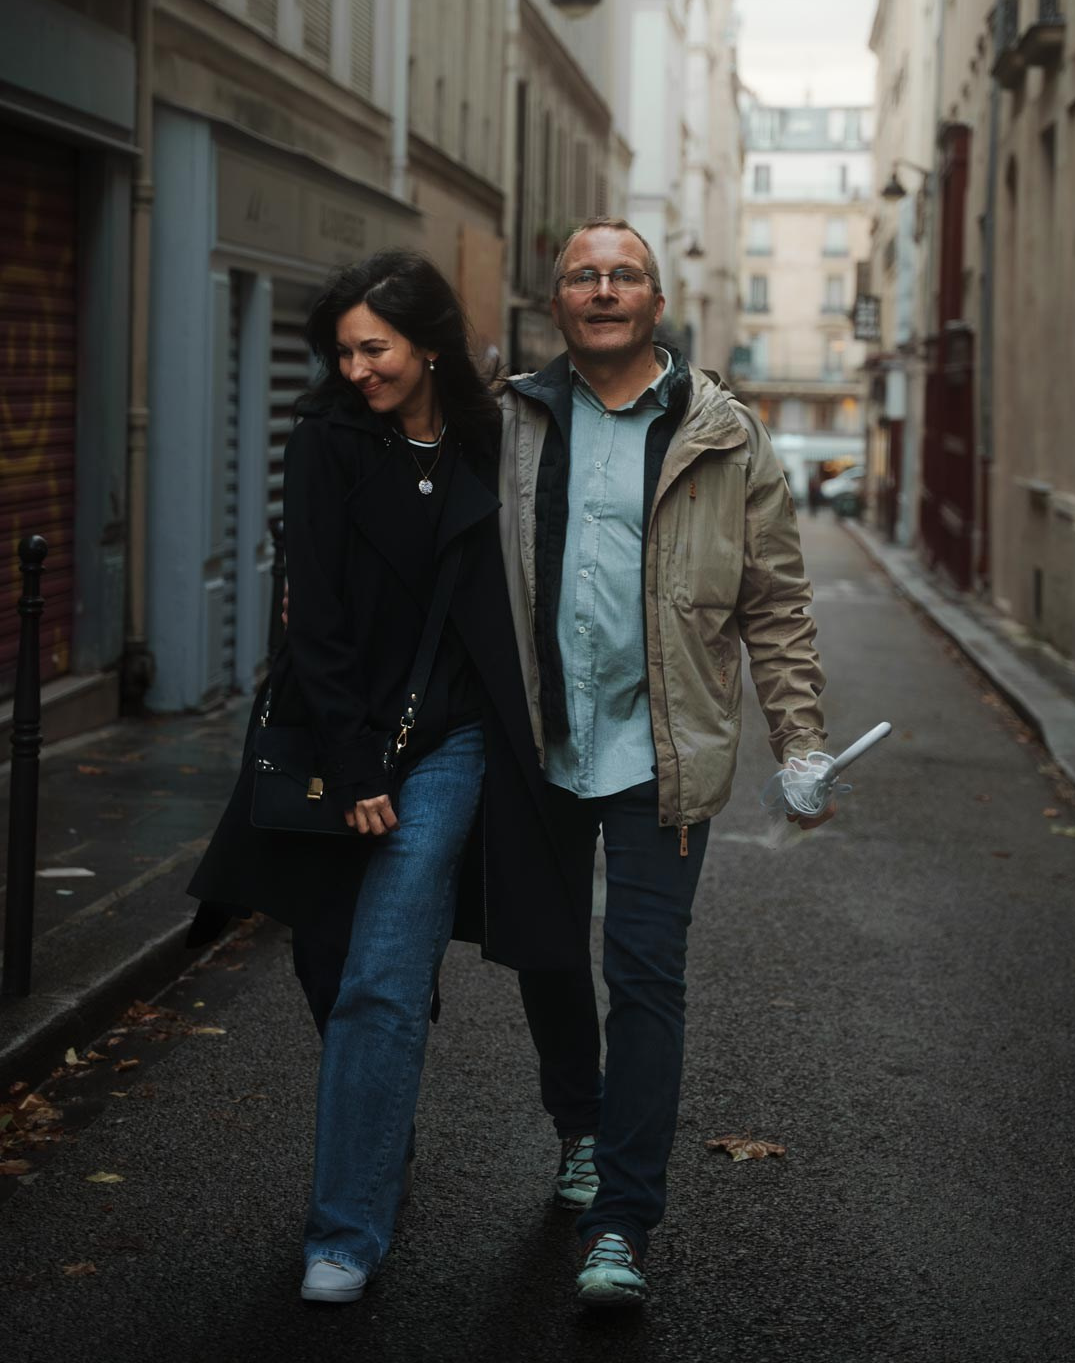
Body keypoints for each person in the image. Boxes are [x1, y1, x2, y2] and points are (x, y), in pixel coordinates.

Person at [188, 251, 584, 1305]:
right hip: (333, 741)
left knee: (377, 982)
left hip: (451, 742)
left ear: (429, 347)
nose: (356, 367)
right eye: (344, 350)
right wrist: (356, 761)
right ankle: (381, 1112)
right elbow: (312, 616)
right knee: (331, 966)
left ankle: (346, 1233)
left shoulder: (493, 443)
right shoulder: (324, 442)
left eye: (376, 348)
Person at [498, 215, 832, 1310]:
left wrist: (803, 741)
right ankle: (581, 1131)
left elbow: (776, 604)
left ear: (655, 297)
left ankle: (620, 1222)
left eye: (625, 274)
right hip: (540, 745)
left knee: (645, 977)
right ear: (558, 301)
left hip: (661, 749)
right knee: (546, 954)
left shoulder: (725, 434)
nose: (604, 289)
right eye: (585, 276)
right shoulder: (510, 421)